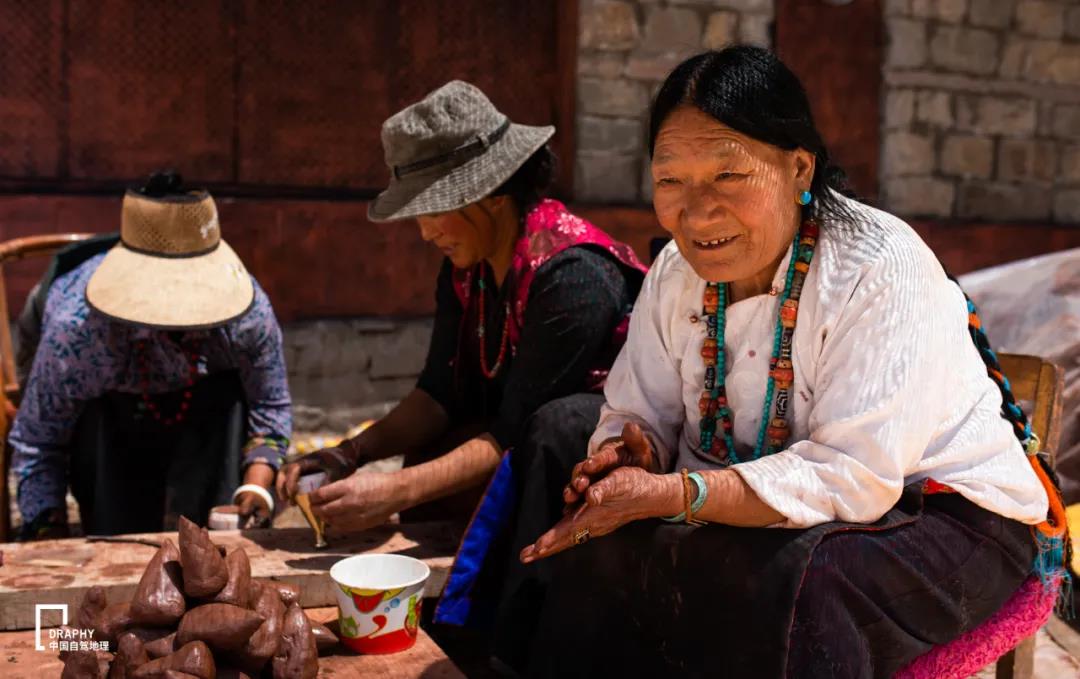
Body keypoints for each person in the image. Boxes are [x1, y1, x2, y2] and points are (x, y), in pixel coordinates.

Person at [519, 47, 1067, 678]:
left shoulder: (878, 264)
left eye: (728, 175)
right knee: (596, 517)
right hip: (775, 500)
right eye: (671, 180)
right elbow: (638, 405)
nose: (697, 211)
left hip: (944, 514)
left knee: (798, 581)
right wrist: (631, 451)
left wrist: (673, 493)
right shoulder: (676, 270)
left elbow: (853, 476)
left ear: (799, 168)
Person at [276, 80, 646, 666]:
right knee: (432, 442)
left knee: (557, 424)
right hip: (515, 450)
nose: (425, 233)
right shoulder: (466, 269)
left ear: (490, 193)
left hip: (578, 474)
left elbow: (515, 432)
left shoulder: (573, 275)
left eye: (432, 211)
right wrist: (350, 454)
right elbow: (438, 394)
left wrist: (393, 491)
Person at [11, 171, 291, 539]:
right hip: (108, 423)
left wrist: (256, 485)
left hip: (203, 416)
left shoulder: (247, 317)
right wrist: (49, 534)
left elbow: (269, 407)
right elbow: (39, 441)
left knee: (228, 399)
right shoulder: (80, 329)